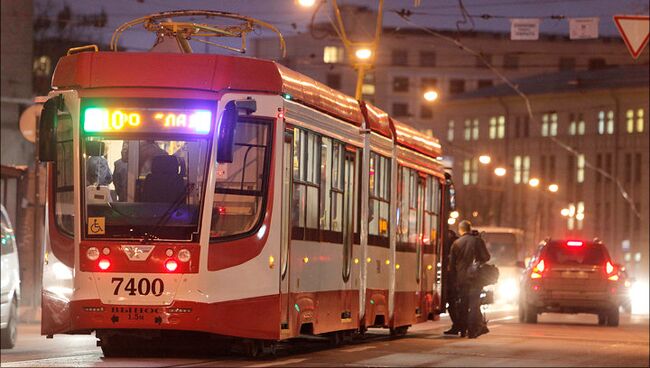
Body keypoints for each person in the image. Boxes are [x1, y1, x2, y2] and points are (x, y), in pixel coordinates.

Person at [449, 220, 491, 338]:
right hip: (476, 277)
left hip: (461, 278)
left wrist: (454, 279)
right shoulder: (477, 241)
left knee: (463, 303)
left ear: (460, 230)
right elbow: (486, 257)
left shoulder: (456, 243)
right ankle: (472, 330)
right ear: (469, 228)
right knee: (474, 304)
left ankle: (462, 329)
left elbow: (452, 264)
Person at [443, 229, 462, 336]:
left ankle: (458, 325)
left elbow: (452, 263)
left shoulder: (453, 245)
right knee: (456, 304)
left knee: (452, 304)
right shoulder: (458, 242)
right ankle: (460, 325)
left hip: (454, 279)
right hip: (461, 278)